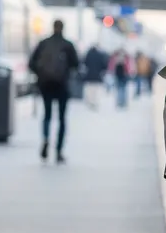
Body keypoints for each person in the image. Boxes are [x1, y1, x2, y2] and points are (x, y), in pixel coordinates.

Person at [29, 20, 78, 163]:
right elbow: (76, 64)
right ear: (63, 28)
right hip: (62, 85)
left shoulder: (43, 43)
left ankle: (45, 139)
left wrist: (40, 74)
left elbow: (31, 63)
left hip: (46, 85)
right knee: (62, 119)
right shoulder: (68, 45)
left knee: (47, 115)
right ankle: (59, 151)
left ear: (53, 27)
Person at [81, 43, 109, 111]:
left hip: (89, 75)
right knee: (96, 90)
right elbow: (104, 65)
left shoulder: (88, 54)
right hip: (97, 75)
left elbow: (84, 63)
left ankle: (90, 102)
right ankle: (94, 102)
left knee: (89, 89)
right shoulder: (100, 55)